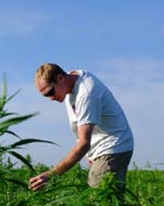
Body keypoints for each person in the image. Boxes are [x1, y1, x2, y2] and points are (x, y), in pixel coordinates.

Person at [29, 63, 134, 191]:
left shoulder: (86, 94)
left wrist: (51, 175)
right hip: (104, 149)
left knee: (99, 204)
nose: (50, 98)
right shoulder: (70, 83)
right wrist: (90, 155)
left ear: (60, 78)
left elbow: (84, 143)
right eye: (45, 96)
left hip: (112, 147)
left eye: (50, 92)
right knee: (106, 205)